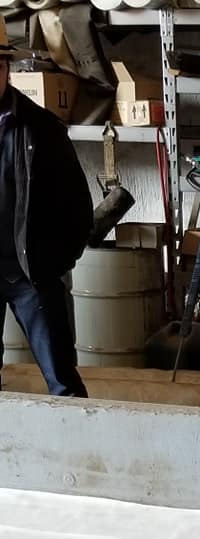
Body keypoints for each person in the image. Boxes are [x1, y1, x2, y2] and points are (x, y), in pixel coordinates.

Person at [0, 17, 91, 397]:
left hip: (30, 276)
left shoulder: (41, 130)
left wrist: (51, 264)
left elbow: (77, 209)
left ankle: (80, 455)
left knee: (62, 383)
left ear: (6, 69)